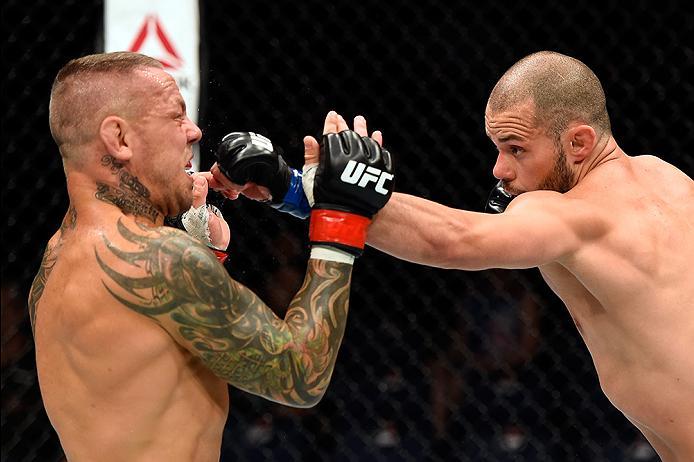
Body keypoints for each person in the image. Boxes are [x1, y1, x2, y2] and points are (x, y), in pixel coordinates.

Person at [212, 51, 694, 461]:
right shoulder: (667, 178)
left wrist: (307, 191)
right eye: (497, 147)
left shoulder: (572, 214)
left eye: (516, 148)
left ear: (579, 143)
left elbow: (455, 238)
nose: (499, 169)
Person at [29, 51, 393, 462]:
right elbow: (300, 375)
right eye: (175, 116)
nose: (195, 131)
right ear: (120, 139)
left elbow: (146, 391)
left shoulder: (58, 257)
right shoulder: (161, 260)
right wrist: (339, 222)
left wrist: (207, 257)